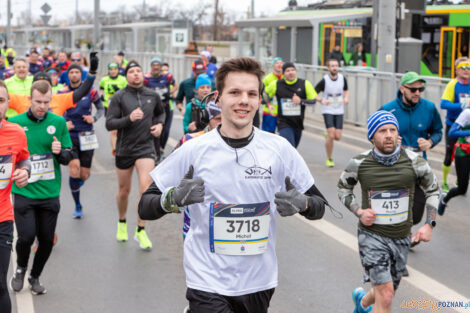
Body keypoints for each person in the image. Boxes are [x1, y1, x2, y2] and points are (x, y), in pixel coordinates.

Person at [138, 57, 326, 313]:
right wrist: (173, 198)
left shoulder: (279, 149)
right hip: (206, 279)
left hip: (259, 282)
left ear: (260, 99)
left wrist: (303, 204)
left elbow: (319, 206)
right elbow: (144, 206)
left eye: (251, 93)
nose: (243, 101)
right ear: (218, 97)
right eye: (235, 92)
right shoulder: (193, 150)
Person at [338, 110, 439, 313]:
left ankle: (362, 303)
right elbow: (343, 189)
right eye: (383, 131)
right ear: (372, 136)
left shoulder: (414, 161)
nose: (389, 134)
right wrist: (359, 212)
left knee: (385, 289)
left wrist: (429, 224)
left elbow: (433, 191)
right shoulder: (359, 162)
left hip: (402, 237)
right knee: (386, 294)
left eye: (393, 130)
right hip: (371, 235)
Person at [9, 80, 75, 295]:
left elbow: (68, 156)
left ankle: (35, 275)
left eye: (46, 102)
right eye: (38, 101)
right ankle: (20, 268)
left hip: (49, 193)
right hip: (24, 191)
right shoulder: (16, 123)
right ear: (30, 99)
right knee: (26, 237)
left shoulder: (58, 122)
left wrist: (59, 152)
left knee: (46, 241)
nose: (42, 106)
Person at [105, 60, 165, 250]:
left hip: (146, 148)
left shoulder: (152, 95)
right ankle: (122, 221)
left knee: (146, 190)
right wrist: (128, 119)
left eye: (139, 70)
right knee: (124, 191)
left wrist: (159, 126)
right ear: (126, 76)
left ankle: (140, 230)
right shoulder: (119, 97)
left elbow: (161, 114)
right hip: (124, 149)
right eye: (132, 71)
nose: (136, 74)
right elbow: (109, 123)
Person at [380, 71, 442, 227]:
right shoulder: (388, 109)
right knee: (392, 206)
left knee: (416, 214)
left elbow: (438, 131)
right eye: (413, 90)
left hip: (419, 165)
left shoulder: (429, 108)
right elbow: (373, 135)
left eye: (420, 90)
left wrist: (430, 142)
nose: (417, 93)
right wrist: (389, 142)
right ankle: (398, 237)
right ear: (402, 89)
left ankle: (404, 232)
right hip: (393, 164)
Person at [0, 79, 30, 313]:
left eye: (0, 100)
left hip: (3, 219)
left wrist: (24, 172)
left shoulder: (16, 132)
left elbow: (23, 158)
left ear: (8, 104)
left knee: (0, 285)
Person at [59, 64, 104, 218]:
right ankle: (77, 205)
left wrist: (94, 118)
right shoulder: (62, 92)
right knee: (74, 169)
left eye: (77, 72)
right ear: (68, 75)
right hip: (70, 136)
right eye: (71, 72)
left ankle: (76, 184)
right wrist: (63, 124)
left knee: (84, 175)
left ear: (81, 74)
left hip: (87, 135)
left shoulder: (91, 91)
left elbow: (101, 109)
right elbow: (55, 112)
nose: (74, 75)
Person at [265, 61, 316, 148]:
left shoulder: (304, 84)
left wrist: (300, 101)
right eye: (287, 71)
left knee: (293, 149)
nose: (291, 72)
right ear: (283, 73)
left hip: (298, 123)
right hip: (283, 122)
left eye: (292, 70)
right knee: (290, 147)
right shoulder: (277, 84)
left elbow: (313, 101)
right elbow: (265, 93)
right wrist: (269, 105)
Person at [440, 57, 470, 192]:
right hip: (453, 125)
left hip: (467, 127)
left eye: (469, 67)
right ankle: (445, 181)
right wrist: (461, 105)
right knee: (449, 154)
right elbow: (443, 104)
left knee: (466, 154)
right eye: (463, 67)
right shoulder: (453, 84)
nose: (466, 70)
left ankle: (461, 178)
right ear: (456, 70)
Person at [315, 58, 349, 167]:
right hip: (328, 109)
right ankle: (329, 158)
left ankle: (328, 134)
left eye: (336, 65)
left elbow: (346, 90)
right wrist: (321, 100)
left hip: (339, 109)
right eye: (332, 66)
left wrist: (346, 98)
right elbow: (313, 92)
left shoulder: (343, 78)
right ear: (328, 68)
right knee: (331, 134)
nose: (334, 68)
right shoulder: (324, 80)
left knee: (337, 136)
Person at [438, 99, 470, 216]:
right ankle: (444, 200)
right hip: (464, 153)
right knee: (462, 189)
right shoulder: (467, 113)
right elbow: (452, 132)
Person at [144, 57, 177, 159]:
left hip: (166, 106)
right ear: (151, 66)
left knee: (166, 130)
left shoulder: (167, 76)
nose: (156, 67)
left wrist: (169, 92)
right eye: (154, 65)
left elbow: (176, 86)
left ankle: (161, 148)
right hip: (154, 108)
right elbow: (143, 90)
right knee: (156, 129)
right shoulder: (146, 77)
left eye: (158, 65)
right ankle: (156, 150)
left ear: (160, 66)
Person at [261, 57, 283, 133]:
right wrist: (268, 103)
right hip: (269, 111)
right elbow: (262, 93)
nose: (279, 65)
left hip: (283, 112)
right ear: (273, 65)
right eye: (277, 63)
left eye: (281, 63)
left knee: (284, 135)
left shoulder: (286, 78)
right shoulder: (267, 78)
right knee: (268, 134)